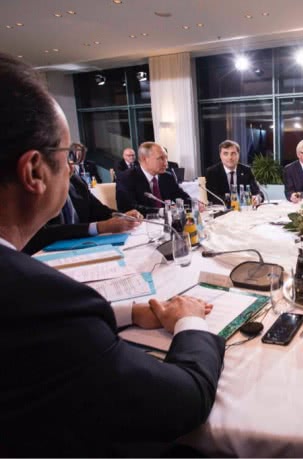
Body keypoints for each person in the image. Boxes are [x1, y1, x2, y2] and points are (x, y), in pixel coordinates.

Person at [0, 53, 224, 457]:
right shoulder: (40, 300)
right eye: (67, 155)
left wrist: (127, 312)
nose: (73, 168)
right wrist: (189, 320)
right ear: (34, 171)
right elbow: (182, 403)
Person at [23, 162, 142, 254]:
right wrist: (99, 227)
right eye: (64, 160)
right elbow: (45, 232)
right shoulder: (35, 188)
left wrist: (123, 216)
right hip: (46, 255)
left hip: (84, 250)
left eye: (70, 160)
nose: (71, 166)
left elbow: (99, 210)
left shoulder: (75, 181)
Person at [115, 141, 192, 212]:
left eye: (166, 158)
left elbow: (183, 198)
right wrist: (162, 211)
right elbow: (127, 208)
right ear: (144, 159)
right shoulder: (126, 178)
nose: (166, 163)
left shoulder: (167, 176)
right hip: (142, 221)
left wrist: (192, 203)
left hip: (167, 220)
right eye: (161, 158)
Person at [205, 139, 262, 205]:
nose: (230, 157)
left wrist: (257, 198)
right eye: (225, 154)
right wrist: (234, 202)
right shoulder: (212, 172)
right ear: (220, 156)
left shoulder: (246, 170)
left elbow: (258, 193)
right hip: (223, 209)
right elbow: (211, 197)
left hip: (243, 209)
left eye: (233, 153)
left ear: (238, 155)